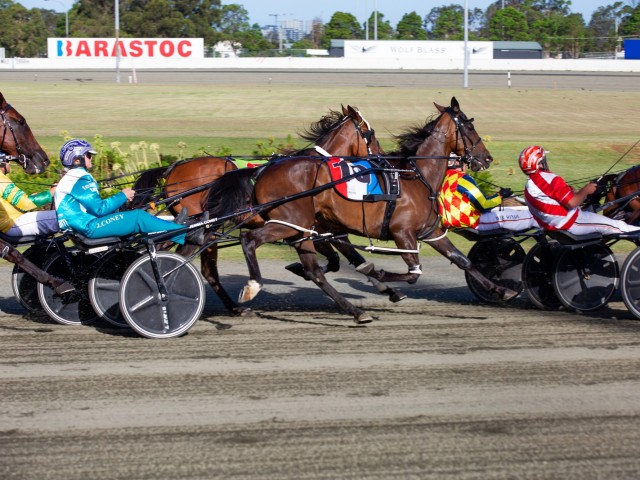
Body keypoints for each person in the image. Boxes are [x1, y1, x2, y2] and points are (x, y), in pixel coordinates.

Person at [54, 139, 196, 244]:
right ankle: (185, 233)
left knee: (125, 215)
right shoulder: (81, 177)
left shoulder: (69, 178)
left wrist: (119, 201)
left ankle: (172, 229)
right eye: (88, 155)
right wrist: (123, 195)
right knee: (138, 217)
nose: (91, 158)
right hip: (89, 227)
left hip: (81, 226)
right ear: (77, 160)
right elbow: (99, 209)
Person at [520, 145, 640, 235]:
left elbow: (555, 201)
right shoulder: (550, 179)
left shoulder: (531, 184)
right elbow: (572, 202)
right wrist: (586, 190)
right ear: (540, 164)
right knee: (619, 227)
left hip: (556, 223)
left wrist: (575, 192)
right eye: (544, 160)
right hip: (572, 221)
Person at [438, 154, 537, 231]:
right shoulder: (462, 179)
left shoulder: (445, 178)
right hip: (471, 221)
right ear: (457, 163)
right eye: (464, 162)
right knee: (531, 215)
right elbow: (484, 205)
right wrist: (501, 195)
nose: (466, 165)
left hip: (453, 221)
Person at [0, 153, 59, 237]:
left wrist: (33, 197)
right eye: (8, 161)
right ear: (2, 162)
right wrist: (52, 192)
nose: (10, 164)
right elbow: (26, 204)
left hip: (8, 225)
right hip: (12, 224)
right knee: (64, 216)